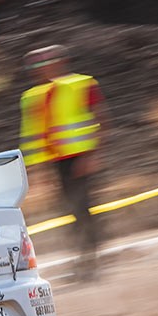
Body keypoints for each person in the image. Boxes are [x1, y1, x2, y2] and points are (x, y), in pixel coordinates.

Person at [20, 45, 107, 266]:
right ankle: (82, 250)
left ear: (60, 61)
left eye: (44, 62)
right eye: (35, 65)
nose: (39, 68)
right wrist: (37, 169)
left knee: (82, 206)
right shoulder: (31, 96)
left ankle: (91, 253)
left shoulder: (82, 83)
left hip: (80, 157)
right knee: (68, 208)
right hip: (55, 162)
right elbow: (33, 134)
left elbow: (101, 119)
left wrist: (92, 155)